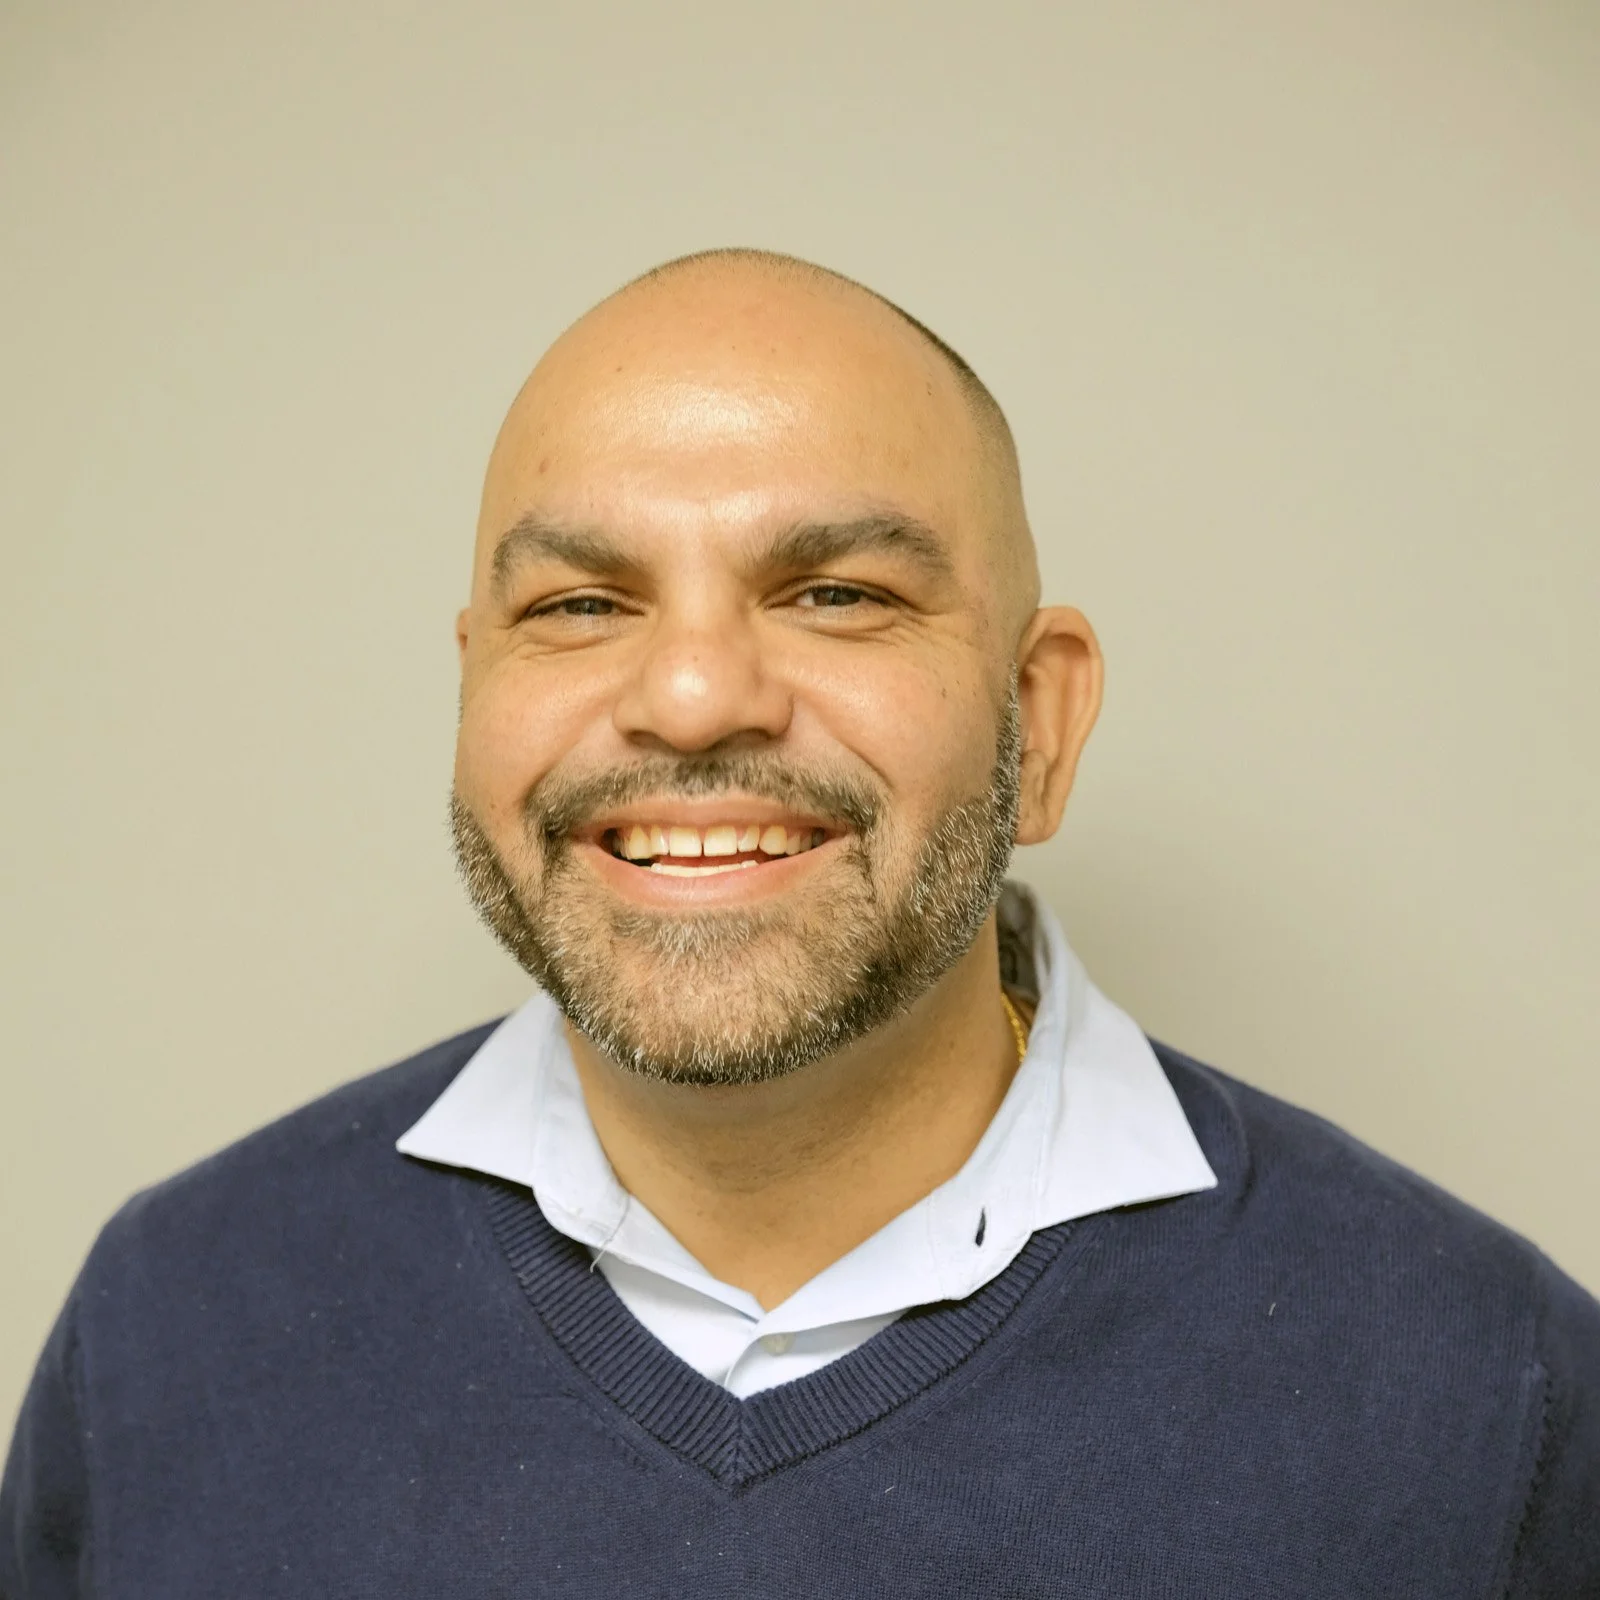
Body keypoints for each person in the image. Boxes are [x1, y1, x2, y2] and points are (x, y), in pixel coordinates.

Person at [3, 249, 1596, 1597]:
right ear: (474, 682)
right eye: (579, 605)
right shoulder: (173, 1328)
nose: (692, 697)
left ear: (1037, 725)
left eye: (836, 592)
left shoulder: (1484, 1392)